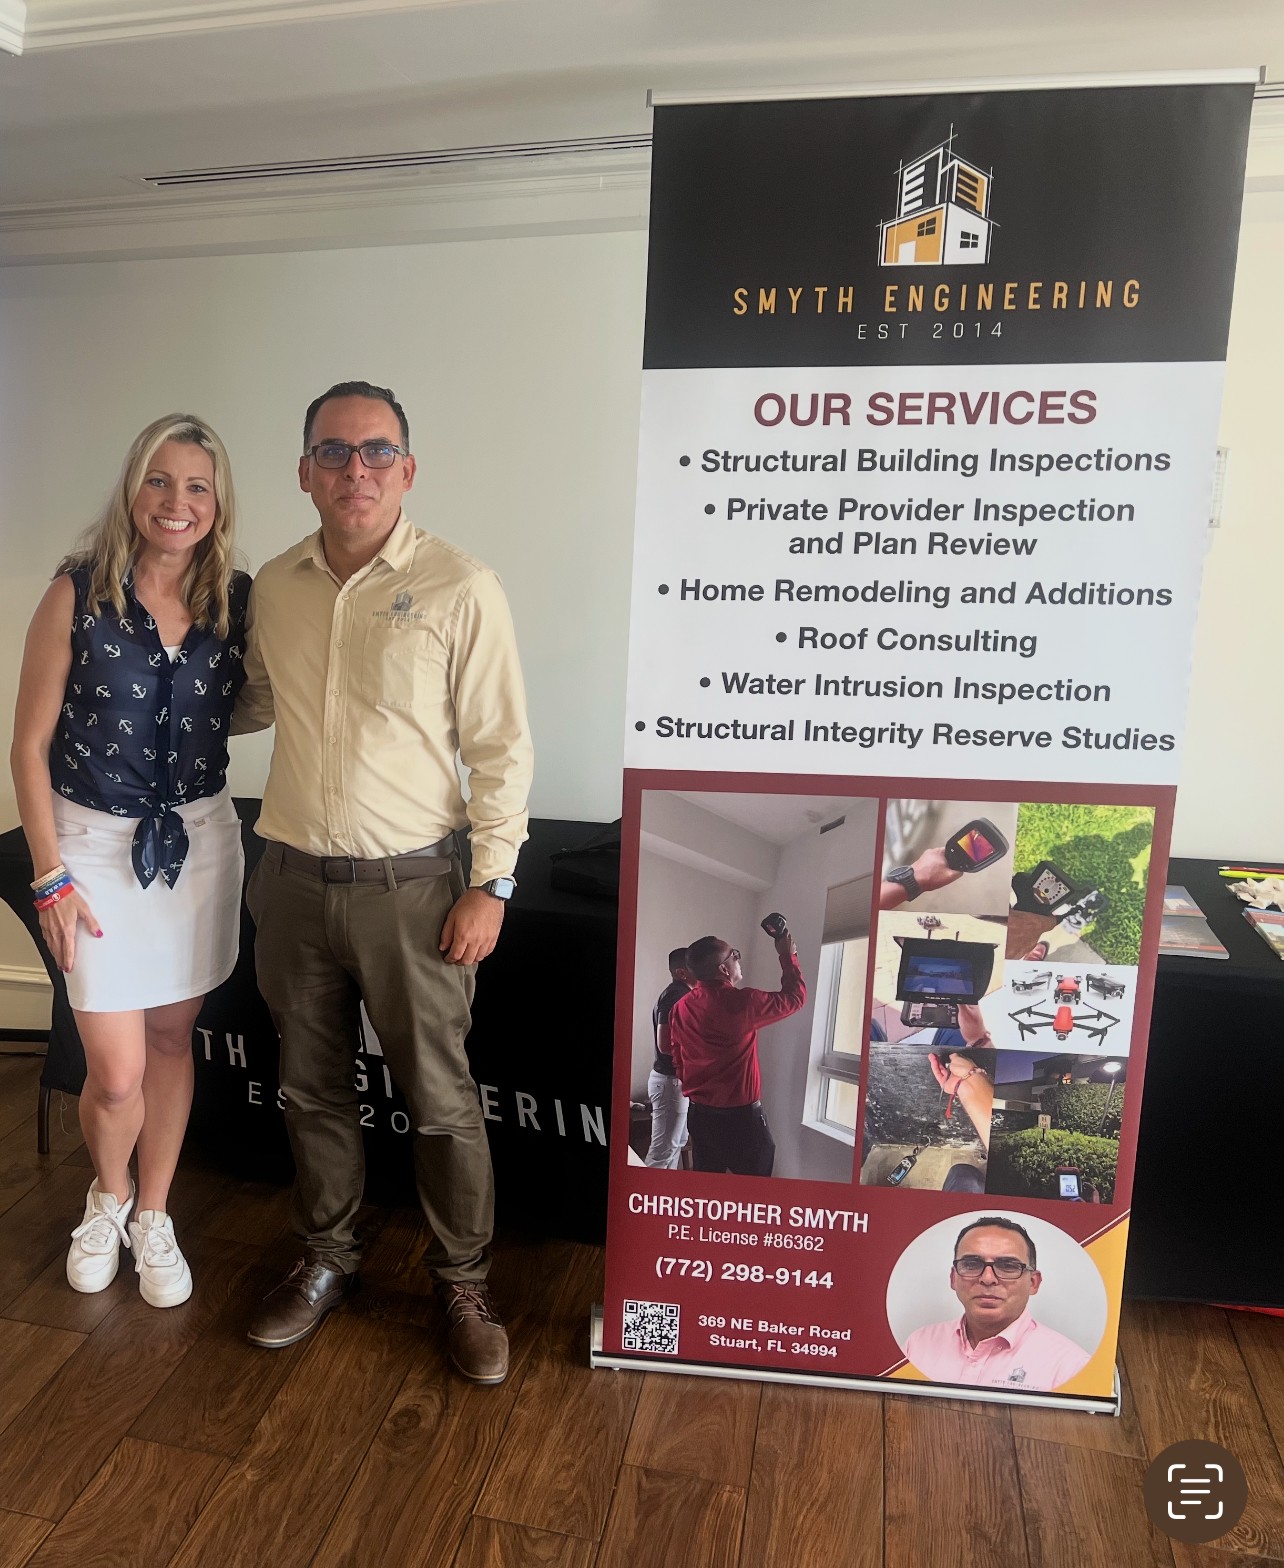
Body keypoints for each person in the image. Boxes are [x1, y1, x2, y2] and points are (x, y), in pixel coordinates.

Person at [233, 380, 532, 1385]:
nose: (353, 469)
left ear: (407, 469)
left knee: (440, 1096)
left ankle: (462, 1280)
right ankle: (326, 1256)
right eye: (333, 450)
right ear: (305, 470)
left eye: (375, 452)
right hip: (291, 883)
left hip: (417, 890)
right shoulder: (271, 585)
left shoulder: (461, 584)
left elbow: (501, 748)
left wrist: (491, 882)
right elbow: (253, 704)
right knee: (311, 1089)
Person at [10, 413, 249, 1308]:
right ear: (132, 490)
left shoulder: (238, 601)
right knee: (113, 1067)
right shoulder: (77, 594)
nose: (176, 502)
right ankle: (104, 1196)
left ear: (217, 502)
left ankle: (154, 1212)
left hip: (199, 842)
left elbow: (254, 703)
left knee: (169, 1039)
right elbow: (27, 748)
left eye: (196, 485)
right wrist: (50, 876)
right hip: (91, 849)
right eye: (159, 480)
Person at [667, 923, 805, 1177]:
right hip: (741, 1122)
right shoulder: (743, 1002)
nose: (738, 959)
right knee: (752, 1195)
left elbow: (675, 1053)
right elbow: (795, 998)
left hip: (700, 1117)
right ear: (724, 969)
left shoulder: (680, 1007)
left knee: (708, 1191)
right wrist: (787, 955)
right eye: (735, 955)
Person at [904, 1216, 1092, 1391]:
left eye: (1008, 1266)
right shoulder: (918, 1344)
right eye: (971, 1264)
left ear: (1033, 1283)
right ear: (953, 1278)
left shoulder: (1070, 1366)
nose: (987, 1278)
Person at [645, 947, 692, 1169]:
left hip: (673, 1083)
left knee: (675, 1145)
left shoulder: (680, 993)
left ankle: (663, 1195)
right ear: (682, 972)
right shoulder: (676, 994)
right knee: (662, 1153)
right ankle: (648, 1199)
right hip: (670, 1083)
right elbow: (664, 1045)